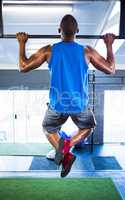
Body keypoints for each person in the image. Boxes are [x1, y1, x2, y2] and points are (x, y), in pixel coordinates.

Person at [16, 14, 116, 178]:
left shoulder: (49, 50)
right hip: (79, 106)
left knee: (48, 129)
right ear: (77, 30)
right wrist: (109, 45)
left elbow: (23, 66)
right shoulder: (87, 51)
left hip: (57, 106)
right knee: (88, 127)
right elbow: (111, 69)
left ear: (58, 31)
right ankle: (68, 145)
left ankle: (64, 153)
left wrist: (21, 43)